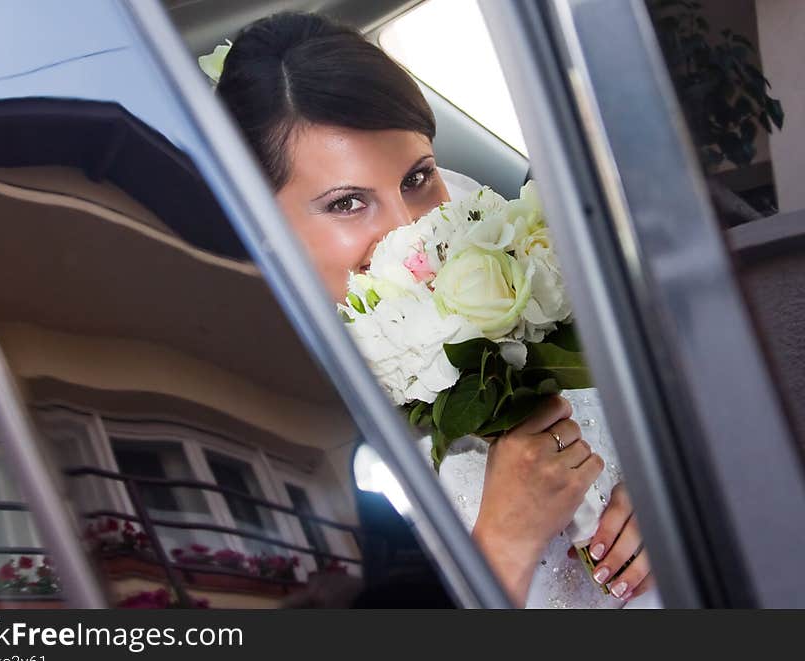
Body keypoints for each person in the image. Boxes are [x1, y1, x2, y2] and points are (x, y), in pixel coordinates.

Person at [215, 11, 655, 607]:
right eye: (347, 203)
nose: (414, 234)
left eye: (419, 177)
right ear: (259, 225)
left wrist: (661, 495)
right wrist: (504, 542)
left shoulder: (509, 275)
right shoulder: (265, 425)